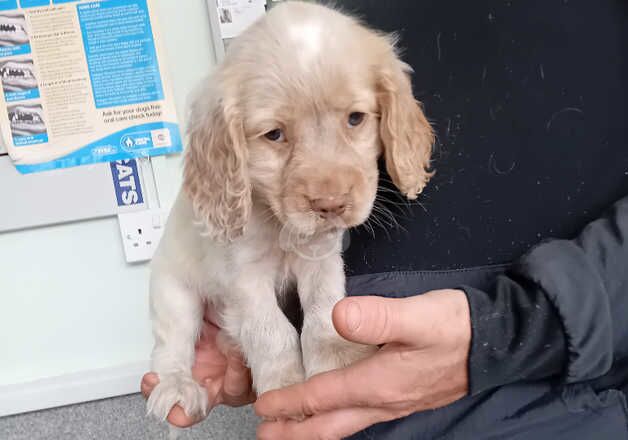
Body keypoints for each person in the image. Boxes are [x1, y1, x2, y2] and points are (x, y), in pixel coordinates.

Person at [142, 1, 628, 438]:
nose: (330, 193)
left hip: (567, 397)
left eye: (355, 119)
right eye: (275, 134)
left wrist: (509, 330)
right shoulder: (287, 53)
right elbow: (245, 276)